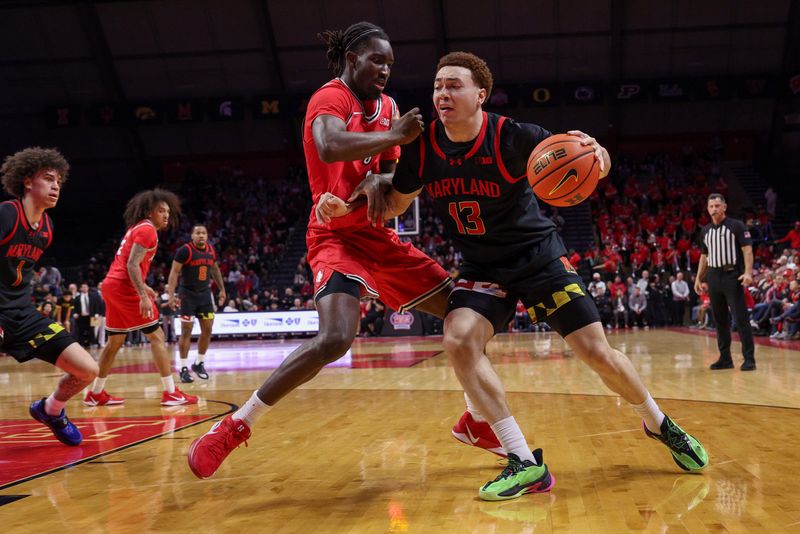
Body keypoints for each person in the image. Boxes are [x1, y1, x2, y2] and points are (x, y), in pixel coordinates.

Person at [326, 51, 707, 499]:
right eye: (437, 86)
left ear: (480, 95)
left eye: (454, 85)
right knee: (457, 337)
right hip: (483, 266)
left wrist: (598, 154)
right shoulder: (423, 146)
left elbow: (585, 157)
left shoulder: (514, 136)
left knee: (595, 351)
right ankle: (524, 461)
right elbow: (394, 203)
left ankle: (658, 423)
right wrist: (355, 198)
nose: (442, 94)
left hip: (537, 257)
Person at [187, 24, 516, 496]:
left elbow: (383, 182)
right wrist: (394, 137)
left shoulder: (388, 108)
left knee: (467, 314)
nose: (384, 70)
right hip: (333, 238)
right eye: (375, 60)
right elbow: (329, 145)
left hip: (372, 233)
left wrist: (364, 194)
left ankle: (474, 420)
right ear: (350, 57)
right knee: (336, 337)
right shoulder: (330, 98)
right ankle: (236, 426)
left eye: (389, 64)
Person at [0, 147, 99, 445]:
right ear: (28, 182)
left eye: (59, 181)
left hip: (23, 313)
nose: (56, 186)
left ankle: (51, 410)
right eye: (48, 179)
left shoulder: (47, 228)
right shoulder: (6, 214)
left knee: (87, 370)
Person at [85, 189, 198, 406]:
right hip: (123, 288)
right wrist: (141, 295)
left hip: (111, 285)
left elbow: (126, 263)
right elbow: (131, 264)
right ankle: (171, 392)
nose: (166, 215)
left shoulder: (136, 228)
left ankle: (95, 393)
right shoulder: (148, 230)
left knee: (115, 342)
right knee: (157, 336)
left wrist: (144, 286)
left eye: (167, 211)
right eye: (161, 210)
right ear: (149, 211)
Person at [695, 193, 756, 371]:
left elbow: (747, 251)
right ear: (707, 209)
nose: (714, 209)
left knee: (741, 319)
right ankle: (725, 358)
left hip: (731, 275)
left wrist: (748, 273)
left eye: (717, 206)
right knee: (720, 320)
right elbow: (704, 256)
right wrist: (699, 277)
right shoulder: (705, 231)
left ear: (724, 207)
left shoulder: (736, 226)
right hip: (713, 277)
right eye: (711, 206)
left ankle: (749, 358)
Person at [166, 224, 226, 383]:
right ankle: (184, 367)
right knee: (186, 331)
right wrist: (171, 295)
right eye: (198, 233)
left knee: (208, 329)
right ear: (192, 236)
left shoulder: (211, 250)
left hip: (205, 294)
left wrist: (222, 289)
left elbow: (215, 270)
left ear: (207, 236)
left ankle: (199, 363)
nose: (201, 235)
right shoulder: (185, 250)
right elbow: (174, 272)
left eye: (204, 233)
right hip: (187, 294)